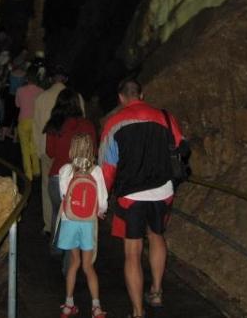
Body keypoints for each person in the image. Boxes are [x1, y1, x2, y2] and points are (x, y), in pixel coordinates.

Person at [98, 79, 185, 318]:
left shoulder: (114, 123)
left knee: (132, 251)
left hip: (131, 193)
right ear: (142, 95)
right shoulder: (165, 117)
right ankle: (156, 291)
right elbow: (180, 146)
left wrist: (102, 198)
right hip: (162, 190)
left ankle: (137, 312)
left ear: (120, 98)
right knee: (157, 236)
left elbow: (107, 166)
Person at [57, 134, 108, 318]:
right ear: (92, 150)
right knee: (88, 265)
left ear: (72, 150)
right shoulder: (96, 171)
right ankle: (96, 307)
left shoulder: (64, 170)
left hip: (69, 221)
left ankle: (68, 305)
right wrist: (100, 210)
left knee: (74, 263)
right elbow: (103, 201)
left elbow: (64, 195)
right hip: (88, 222)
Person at [33, 65, 85, 236]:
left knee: (48, 189)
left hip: (48, 150)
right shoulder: (77, 97)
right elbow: (81, 123)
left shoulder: (41, 98)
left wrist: (39, 150)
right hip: (72, 151)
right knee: (71, 188)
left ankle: (50, 225)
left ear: (51, 78)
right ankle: (70, 222)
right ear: (66, 79)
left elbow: (36, 127)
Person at [44, 88, 96, 248]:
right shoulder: (87, 125)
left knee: (57, 214)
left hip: (57, 177)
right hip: (79, 177)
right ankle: (73, 255)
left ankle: (56, 249)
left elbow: (50, 152)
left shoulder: (54, 125)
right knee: (76, 217)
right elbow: (93, 150)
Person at [15, 65, 44, 180]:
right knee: (34, 146)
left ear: (27, 78)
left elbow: (17, 105)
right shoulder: (41, 91)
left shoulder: (20, 90)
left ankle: (28, 173)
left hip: (23, 121)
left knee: (25, 148)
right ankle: (37, 170)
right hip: (35, 121)